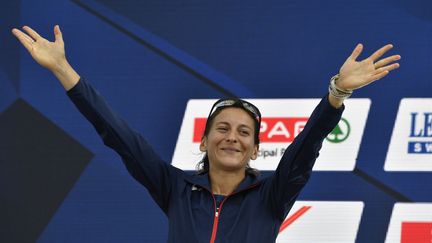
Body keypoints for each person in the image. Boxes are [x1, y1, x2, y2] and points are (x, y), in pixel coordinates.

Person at [12, 25, 400, 243]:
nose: (233, 137)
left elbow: (307, 145)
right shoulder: (175, 188)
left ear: (254, 148)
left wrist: (338, 92)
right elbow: (117, 134)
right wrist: (63, 70)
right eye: (223, 128)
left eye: (244, 132)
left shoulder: (272, 195)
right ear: (204, 141)